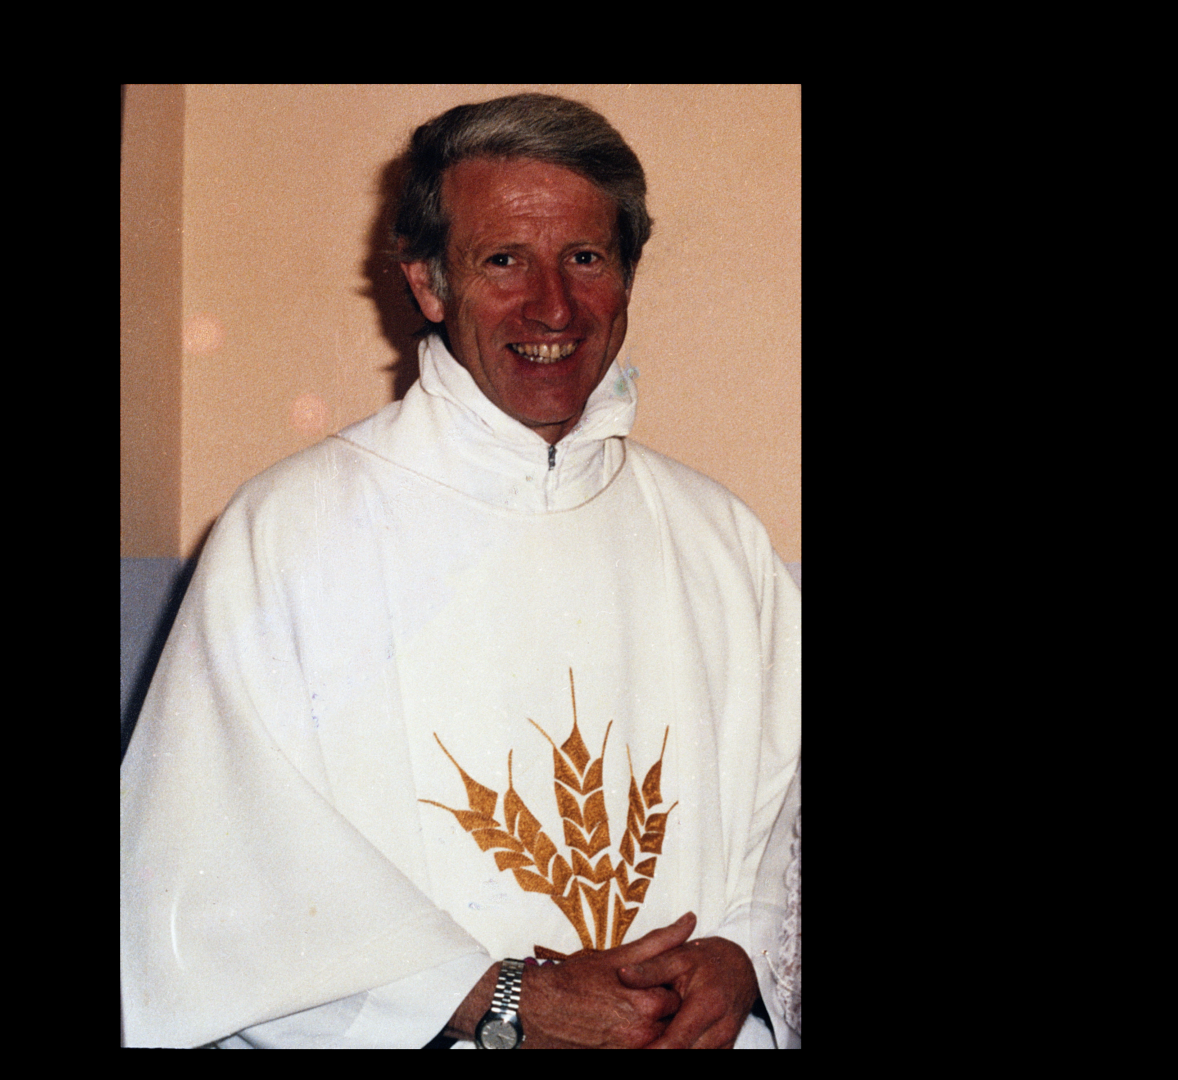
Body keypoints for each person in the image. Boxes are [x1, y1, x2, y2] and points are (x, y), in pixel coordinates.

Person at [120, 93, 801, 1049]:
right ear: (429, 285)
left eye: (585, 257)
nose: (552, 306)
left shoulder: (719, 536)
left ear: (627, 278)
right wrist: (498, 999)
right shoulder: (289, 530)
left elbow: (783, 819)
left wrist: (742, 958)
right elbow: (212, 871)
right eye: (503, 261)